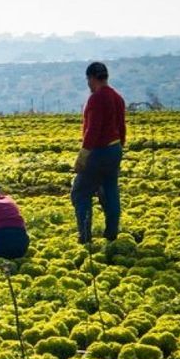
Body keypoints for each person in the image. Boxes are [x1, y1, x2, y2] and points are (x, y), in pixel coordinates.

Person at [72, 62, 126, 243]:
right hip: (115, 149)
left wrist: (84, 154)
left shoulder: (96, 98)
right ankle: (111, 234)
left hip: (99, 151)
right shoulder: (117, 97)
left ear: (91, 78)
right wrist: (119, 150)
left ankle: (85, 237)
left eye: (88, 79)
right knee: (110, 189)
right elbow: (122, 127)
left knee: (81, 191)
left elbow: (93, 129)